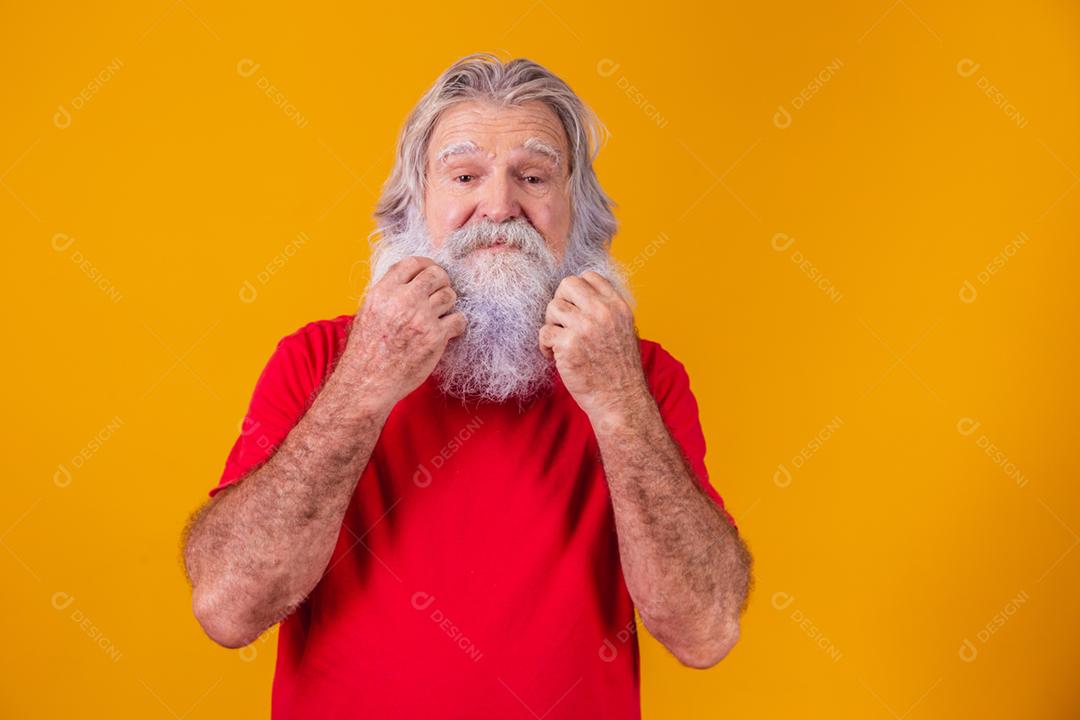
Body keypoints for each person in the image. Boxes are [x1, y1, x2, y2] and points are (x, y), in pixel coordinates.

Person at [182, 52, 753, 719]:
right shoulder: (317, 359)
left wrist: (619, 401)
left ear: (579, 215)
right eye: (464, 174)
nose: (499, 206)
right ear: (414, 206)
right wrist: (364, 381)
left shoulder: (641, 376)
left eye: (533, 176)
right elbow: (227, 608)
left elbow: (705, 631)